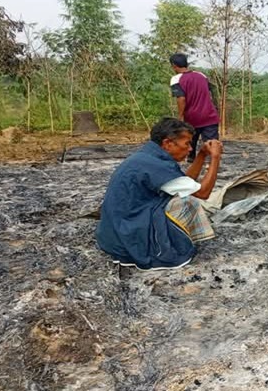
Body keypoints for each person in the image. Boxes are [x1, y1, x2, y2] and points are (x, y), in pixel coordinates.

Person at [96, 117, 223, 270]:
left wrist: (202, 155)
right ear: (168, 143)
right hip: (129, 233)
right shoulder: (154, 165)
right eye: (187, 143)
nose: (190, 149)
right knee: (188, 203)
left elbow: (185, 182)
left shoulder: (148, 157)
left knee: (181, 195)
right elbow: (203, 192)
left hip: (114, 234)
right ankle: (168, 246)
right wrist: (215, 158)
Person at [169, 53, 221, 162]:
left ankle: (191, 159)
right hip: (209, 114)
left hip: (192, 117)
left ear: (174, 65)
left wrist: (180, 116)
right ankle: (212, 164)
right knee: (211, 142)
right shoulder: (201, 75)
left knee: (190, 140)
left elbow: (181, 98)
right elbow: (211, 91)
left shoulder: (176, 79)